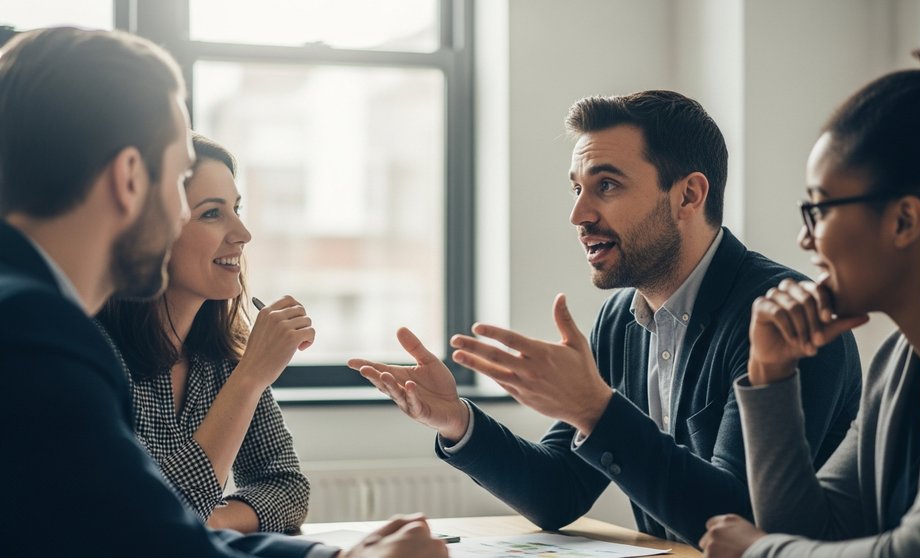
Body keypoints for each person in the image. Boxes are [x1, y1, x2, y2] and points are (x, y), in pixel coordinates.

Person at [0, 26, 446, 558]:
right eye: (180, 183)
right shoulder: (40, 333)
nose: (243, 233)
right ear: (129, 178)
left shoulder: (39, 316)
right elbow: (147, 541)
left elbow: (145, 530)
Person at [350, 90, 862, 545]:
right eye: (577, 188)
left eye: (607, 185)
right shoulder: (619, 320)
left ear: (689, 195)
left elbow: (736, 526)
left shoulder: (785, 319)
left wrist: (597, 411)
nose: (579, 215)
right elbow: (559, 490)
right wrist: (458, 421)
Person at [699, 22, 920, 558]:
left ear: (903, 221)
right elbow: (816, 532)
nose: (805, 238)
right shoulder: (898, 362)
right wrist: (770, 374)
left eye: (819, 208)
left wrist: (758, 552)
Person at [96, 132, 312, 534]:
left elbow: (288, 487)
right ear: (150, 233)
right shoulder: (96, 354)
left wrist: (211, 520)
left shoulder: (221, 356)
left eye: (237, 209)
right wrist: (250, 380)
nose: (243, 233)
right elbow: (142, 522)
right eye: (212, 213)